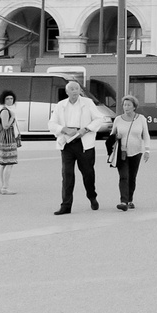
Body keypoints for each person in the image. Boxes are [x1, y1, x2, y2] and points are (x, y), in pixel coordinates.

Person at [51, 80, 103, 215]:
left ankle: (92, 197)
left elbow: (99, 119)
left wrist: (85, 129)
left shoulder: (88, 103)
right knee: (67, 175)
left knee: (88, 174)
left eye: (77, 89)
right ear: (67, 92)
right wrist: (64, 129)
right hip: (67, 144)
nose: (74, 91)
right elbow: (52, 123)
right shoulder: (61, 105)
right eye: (71, 89)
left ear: (80, 91)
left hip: (84, 144)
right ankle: (66, 205)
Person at [111, 94, 151, 210]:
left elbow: (146, 136)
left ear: (134, 107)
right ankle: (123, 202)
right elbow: (111, 136)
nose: (126, 107)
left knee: (132, 177)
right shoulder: (118, 119)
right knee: (124, 176)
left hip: (136, 152)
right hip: (121, 153)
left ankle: (129, 200)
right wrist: (115, 137)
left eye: (128, 105)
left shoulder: (141, 119)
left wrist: (147, 150)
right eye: (124, 105)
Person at [0, 90, 20, 195]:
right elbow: (5, 126)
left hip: (5, 138)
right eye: (7, 99)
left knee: (4, 163)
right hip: (7, 139)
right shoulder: (5, 111)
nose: (10, 100)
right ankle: (5, 187)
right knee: (9, 163)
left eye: (11, 98)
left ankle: (4, 185)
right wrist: (12, 118)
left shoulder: (6, 110)